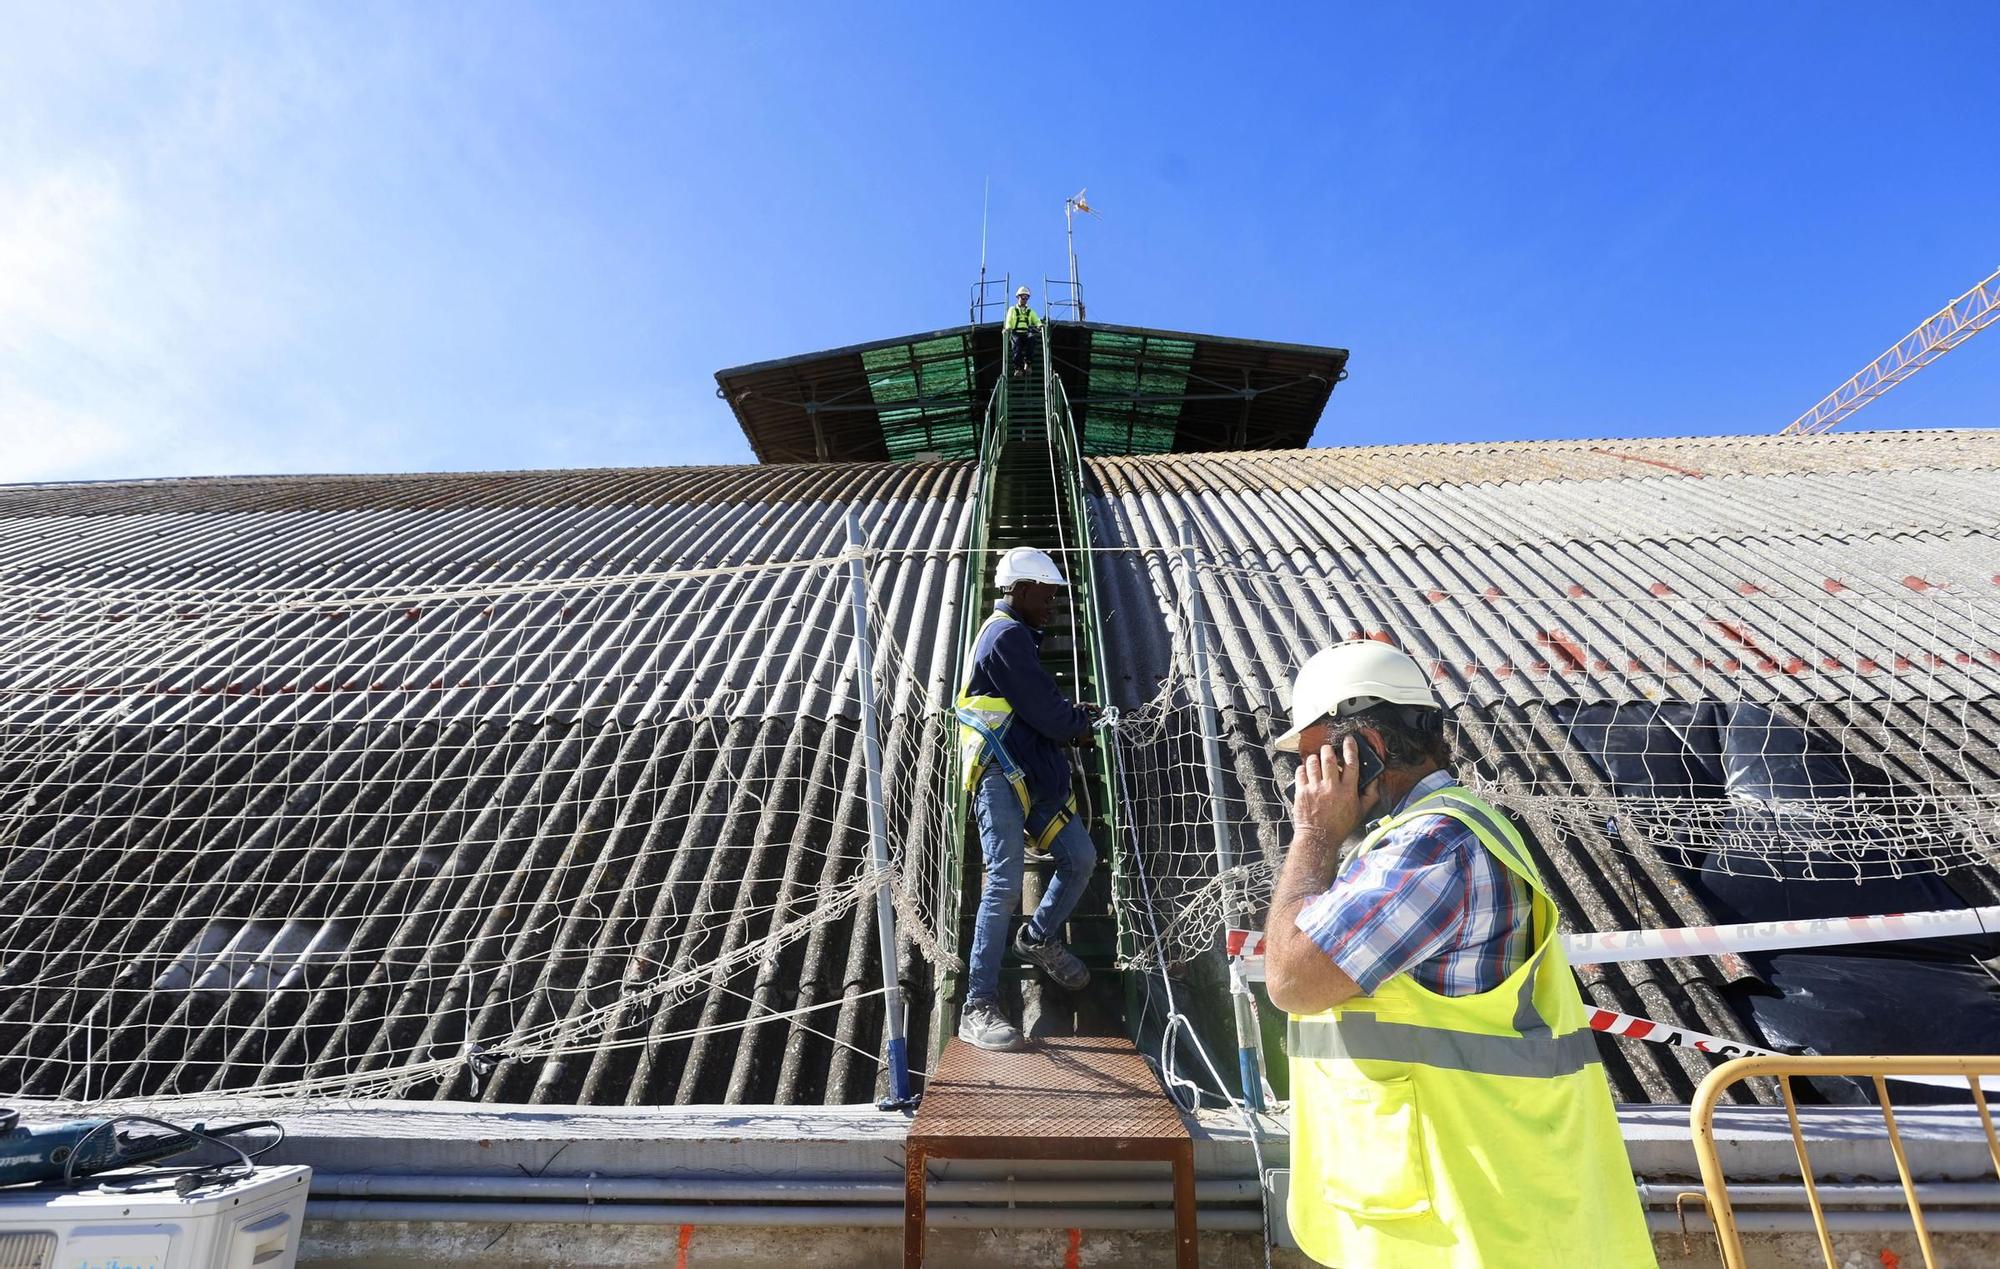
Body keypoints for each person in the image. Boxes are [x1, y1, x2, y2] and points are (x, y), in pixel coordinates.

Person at [1260, 640, 1655, 1268]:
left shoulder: (1432, 848)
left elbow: (1291, 979)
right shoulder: (1429, 837)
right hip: (1470, 1203)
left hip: (1472, 1220)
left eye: (1316, 758)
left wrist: (1312, 837)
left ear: (1368, 750)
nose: (1305, 782)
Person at [954, 546, 1100, 1051]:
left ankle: (1037, 939)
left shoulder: (1019, 639)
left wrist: (1069, 719)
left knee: (1079, 857)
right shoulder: (1005, 635)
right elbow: (1048, 713)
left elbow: (1040, 707)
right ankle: (977, 1004)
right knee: (1003, 882)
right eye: (1047, 594)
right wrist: (1079, 723)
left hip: (1031, 773)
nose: (1054, 605)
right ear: (1020, 590)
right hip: (1000, 773)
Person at [1004, 286, 1041, 378]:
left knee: (1032, 339)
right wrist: (1008, 328)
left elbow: (1036, 319)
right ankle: (1018, 368)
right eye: (1022, 297)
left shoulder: (1030, 311)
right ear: (1018, 297)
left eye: (1026, 297)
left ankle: (1028, 363)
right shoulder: (1012, 309)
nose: (1024, 299)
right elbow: (1008, 320)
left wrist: (1039, 325)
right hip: (1016, 332)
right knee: (1016, 347)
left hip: (1026, 332)